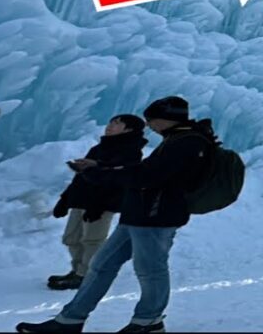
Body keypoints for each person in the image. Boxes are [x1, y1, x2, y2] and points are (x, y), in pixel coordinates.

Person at [17, 96, 216, 334]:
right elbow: (144, 173)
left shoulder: (187, 142)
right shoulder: (178, 139)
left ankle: (149, 322)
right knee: (101, 265)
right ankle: (69, 321)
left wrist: (99, 173)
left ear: (166, 119)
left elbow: (147, 176)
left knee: (151, 270)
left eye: (151, 119)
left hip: (156, 217)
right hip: (139, 215)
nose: (149, 125)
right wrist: (101, 171)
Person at [48, 114, 147, 290]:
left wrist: (94, 169)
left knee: (92, 240)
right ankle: (77, 270)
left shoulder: (130, 151)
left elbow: (115, 179)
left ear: (129, 129)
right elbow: (83, 177)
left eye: (117, 123)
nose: (110, 125)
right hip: (82, 200)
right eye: (111, 122)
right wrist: (65, 199)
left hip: (102, 204)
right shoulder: (98, 148)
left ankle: (86, 275)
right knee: (71, 238)